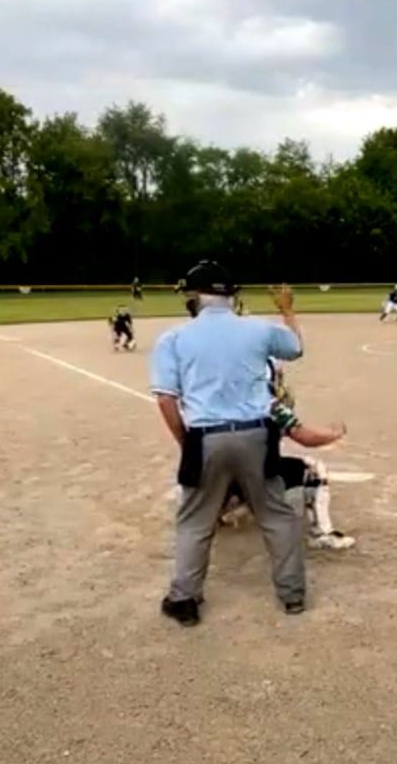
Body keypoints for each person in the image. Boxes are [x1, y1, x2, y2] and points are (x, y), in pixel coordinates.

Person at [149, 260, 308, 626]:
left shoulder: (174, 338)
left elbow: (166, 399)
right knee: (276, 515)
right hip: (258, 433)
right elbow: (296, 348)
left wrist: (187, 443)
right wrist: (287, 310)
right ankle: (293, 596)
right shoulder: (258, 329)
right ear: (230, 295)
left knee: (195, 521)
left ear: (194, 296)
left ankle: (184, 599)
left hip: (206, 435)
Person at [217, 360, 355, 550]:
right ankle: (322, 532)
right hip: (254, 472)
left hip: (212, 469)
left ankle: (222, 510)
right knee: (314, 470)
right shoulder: (269, 403)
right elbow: (306, 438)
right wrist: (335, 434)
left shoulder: (212, 399)